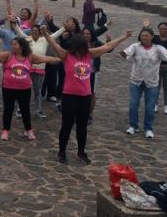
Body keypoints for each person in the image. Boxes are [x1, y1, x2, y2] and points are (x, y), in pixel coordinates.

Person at [43, 27, 131, 164]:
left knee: (82, 126)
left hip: (85, 97)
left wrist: (124, 37)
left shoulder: (89, 55)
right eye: (85, 45)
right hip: (69, 96)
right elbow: (53, 43)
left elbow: (108, 46)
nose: (88, 46)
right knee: (66, 125)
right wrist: (45, 34)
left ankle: (81, 151)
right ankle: (62, 152)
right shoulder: (66, 55)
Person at [0, 37, 60, 142]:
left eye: (15, 44)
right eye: (12, 44)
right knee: (8, 110)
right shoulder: (8, 55)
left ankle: (28, 130)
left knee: (25, 110)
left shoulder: (30, 57)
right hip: (8, 88)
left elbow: (46, 59)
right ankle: (5, 131)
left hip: (24, 89)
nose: (12, 46)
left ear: (21, 46)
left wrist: (59, 59)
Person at [121, 28, 167, 139]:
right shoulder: (136, 46)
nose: (144, 37)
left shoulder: (158, 48)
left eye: (146, 35)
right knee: (133, 104)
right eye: (142, 35)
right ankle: (133, 126)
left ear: (152, 36)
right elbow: (126, 53)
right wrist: (123, 54)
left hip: (152, 82)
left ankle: (148, 128)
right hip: (136, 80)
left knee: (149, 107)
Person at [13, 22, 65, 118]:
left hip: (39, 70)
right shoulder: (27, 40)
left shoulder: (44, 40)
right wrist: (15, 24)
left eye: (36, 31)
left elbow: (54, 35)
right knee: (22, 91)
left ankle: (38, 111)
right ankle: (19, 110)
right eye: (33, 31)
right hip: (27, 69)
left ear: (40, 32)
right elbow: (20, 33)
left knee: (38, 92)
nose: (34, 32)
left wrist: (64, 28)